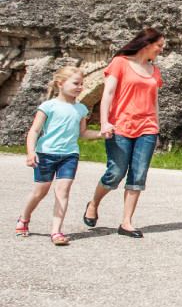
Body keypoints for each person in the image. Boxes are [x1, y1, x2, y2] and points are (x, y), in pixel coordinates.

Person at [82, 27, 164, 238]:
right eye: (159, 46)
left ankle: (126, 223)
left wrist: (156, 130)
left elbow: (154, 102)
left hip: (147, 128)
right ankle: (93, 203)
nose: (161, 50)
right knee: (115, 173)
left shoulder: (155, 71)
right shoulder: (120, 62)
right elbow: (107, 93)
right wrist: (104, 123)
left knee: (138, 176)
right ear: (147, 44)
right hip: (120, 126)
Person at [16, 67, 100, 245]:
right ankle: (24, 218)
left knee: (63, 191)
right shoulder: (48, 106)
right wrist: (31, 152)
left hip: (69, 155)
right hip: (46, 153)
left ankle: (56, 231)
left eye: (81, 84)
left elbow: (82, 133)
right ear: (61, 84)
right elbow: (35, 131)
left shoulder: (81, 109)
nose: (80, 87)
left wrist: (103, 134)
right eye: (75, 83)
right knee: (40, 192)